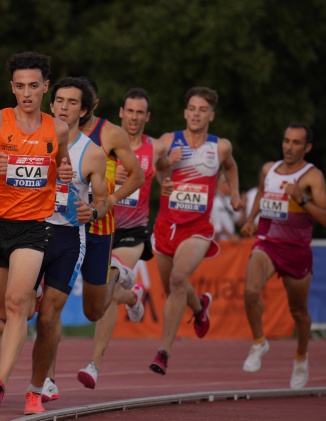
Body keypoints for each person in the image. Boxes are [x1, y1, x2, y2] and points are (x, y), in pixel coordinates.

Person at [0, 51, 73, 412]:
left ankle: (1, 381)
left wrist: (63, 176)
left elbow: (61, 165)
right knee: (3, 308)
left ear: (45, 87)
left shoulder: (58, 128)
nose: (26, 93)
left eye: (33, 86)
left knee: (17, 304)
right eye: (20, 86)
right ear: (12, 88)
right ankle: (21, 310)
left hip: (32, 229)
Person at [23, 77, 108, 414]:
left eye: (72, 102)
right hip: (30, 233)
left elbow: (101, 200)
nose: (63, 106)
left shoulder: (93, 153)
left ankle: (35, 388)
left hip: (68, 238)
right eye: (58, 100)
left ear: (83, 110)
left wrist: (94, 210)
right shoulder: (33, 139)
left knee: (46, 320)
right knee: (21, 310)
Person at [77, 87, 168, 389]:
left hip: (132, 231)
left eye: (140, 112)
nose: (134, 117)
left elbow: (169, 170)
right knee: (107, 294)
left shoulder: (157, 148)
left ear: (147, 117)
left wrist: (167, 184)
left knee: (109, 278)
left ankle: (94, 365)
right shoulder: (105, 138)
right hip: (100, 226)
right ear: (121, 112)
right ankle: (132, 295)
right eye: (130, 111)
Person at [148, 86, 243, 376]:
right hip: (167, 225)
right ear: (185, 111)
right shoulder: (168, 140)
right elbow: (153, 165)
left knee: (179, 279)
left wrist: (235, 194)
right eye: (192, 108)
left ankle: (163, 351)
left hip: (197, 228)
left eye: (202, 110)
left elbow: (230, 166)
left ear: (210, 115)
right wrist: (167, 165)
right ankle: (200, 306)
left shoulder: (220, 146)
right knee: (172, 288)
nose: (196, 114)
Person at [240, 123, 326, 389]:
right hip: (267, 243)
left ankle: (301, 358)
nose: (289, 147)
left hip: (296, 250)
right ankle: (259, 342)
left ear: (307, 148)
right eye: (286, 141)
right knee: (249, 292)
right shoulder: (270, 169)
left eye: (296, 143)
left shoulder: (312, 177)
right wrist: (250, 219)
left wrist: (301, 199)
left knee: (298, 312)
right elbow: (261, 192)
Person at [211, 173, 245, 243]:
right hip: (218, 242)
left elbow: (240, 222)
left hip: (230, 243)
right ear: (224, 183)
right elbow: (215, 226)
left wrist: (244, 206)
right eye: (232, 184)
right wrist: (231, 235)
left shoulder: (229, 200)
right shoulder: (213, 199)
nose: (234, 187)